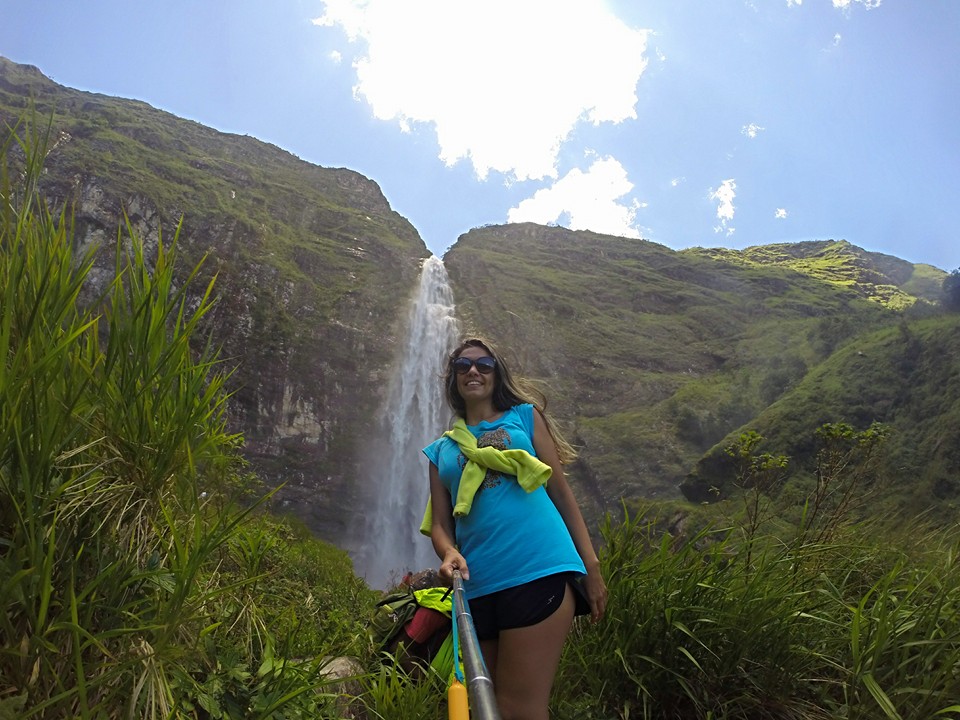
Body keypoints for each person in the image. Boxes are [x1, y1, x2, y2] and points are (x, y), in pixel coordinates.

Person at [422, 336, 607, 720]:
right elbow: (441, 524)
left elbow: (560, 491)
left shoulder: (524, 416)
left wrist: (591, 566)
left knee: (519, 709)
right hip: (478, 585)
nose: (473, 371)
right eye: (463, 366)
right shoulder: (441, 450)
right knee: (487, 710)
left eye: (483, 364)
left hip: (537, 568)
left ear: (496, 373)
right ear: (453, 378)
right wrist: (448, 552)